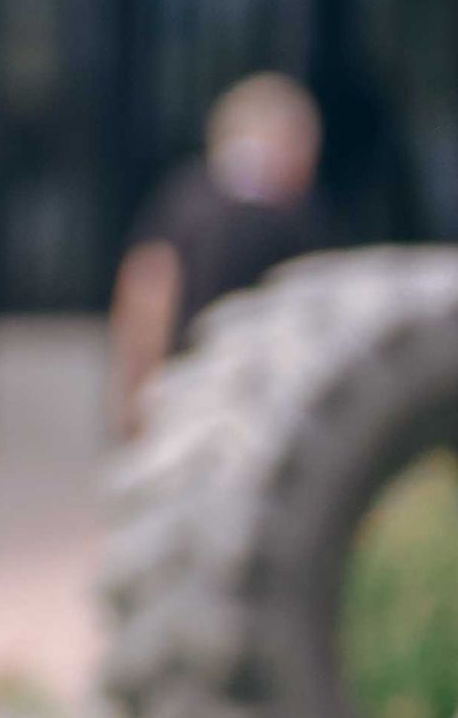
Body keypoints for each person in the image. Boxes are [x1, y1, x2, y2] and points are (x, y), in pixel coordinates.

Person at [103, 73, 329, 442]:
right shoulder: (300, 221)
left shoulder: (184, 198)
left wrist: (136, 391)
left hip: (186, 390)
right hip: (258, 408)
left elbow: (146, 294)